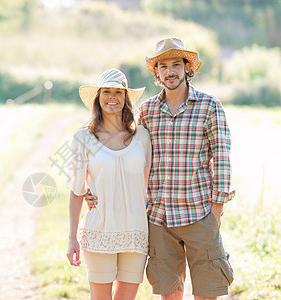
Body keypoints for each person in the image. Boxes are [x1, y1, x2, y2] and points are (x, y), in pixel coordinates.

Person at [86, 38, 235, 300]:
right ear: (156, 72)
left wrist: (217, 209)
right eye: (163, 66)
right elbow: (123, 154)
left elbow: (222, 158)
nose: (170, 71)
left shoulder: (209, 106)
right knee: (169, 293)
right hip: (159, 218)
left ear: (187, 68)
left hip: (199, 213)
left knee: (208, 292)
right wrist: (93, 186)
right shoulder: (147, 111)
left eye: (176, 64)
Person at [65, 68, 152, 300]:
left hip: (136, 231)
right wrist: (72, 237)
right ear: (98, 97)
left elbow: (150, 183)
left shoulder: (142, 136)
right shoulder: (82, 138)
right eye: (106, 92)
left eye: (118, 92)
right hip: (99, 230)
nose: (112, 97)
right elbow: (76, 190)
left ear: (125, 99)